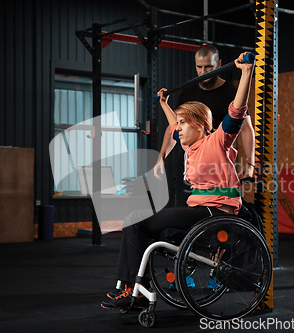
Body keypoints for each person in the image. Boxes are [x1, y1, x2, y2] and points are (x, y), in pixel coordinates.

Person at [101, 52, 255, 310]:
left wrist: (246, 73)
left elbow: (237, 112)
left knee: (136, 221)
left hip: (215, 212)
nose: (178, 128)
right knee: (138, 223)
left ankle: (134, 291)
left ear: (199, 124)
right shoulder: (191, 147)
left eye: (184, 123)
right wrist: (164, 103)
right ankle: (135, 288)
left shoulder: (217, 140)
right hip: (200, 210)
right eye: (179, 123)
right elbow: (173, 125)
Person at [153, 44, 255, 207]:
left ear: (218, 64)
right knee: (181, 216)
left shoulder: (218, 135)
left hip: (215, 165)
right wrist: (161, 158)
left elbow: (241, 121)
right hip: (190, 166)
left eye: (208, 67)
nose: (203, 71)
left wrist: (250, 163)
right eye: (199, 67)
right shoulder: (187, 94)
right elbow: (174, 126)